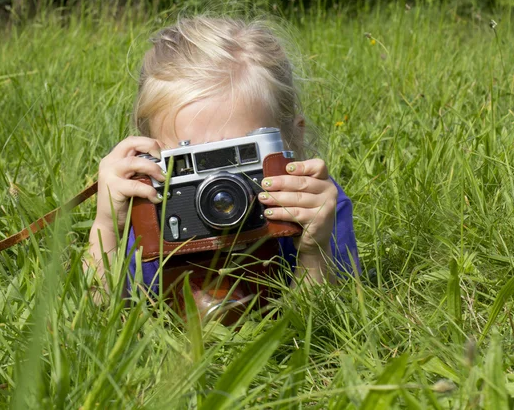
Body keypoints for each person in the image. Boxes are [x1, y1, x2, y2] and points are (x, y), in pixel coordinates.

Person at [85, 15, 360, 298]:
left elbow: (328, 323)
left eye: (239, 158)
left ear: (292, 144)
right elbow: (96, 318)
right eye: (188, 162)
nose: (219, 192)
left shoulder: (317, 209)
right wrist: (106, 228)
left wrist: (314, 253)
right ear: (147, 159)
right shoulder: (152, 222)